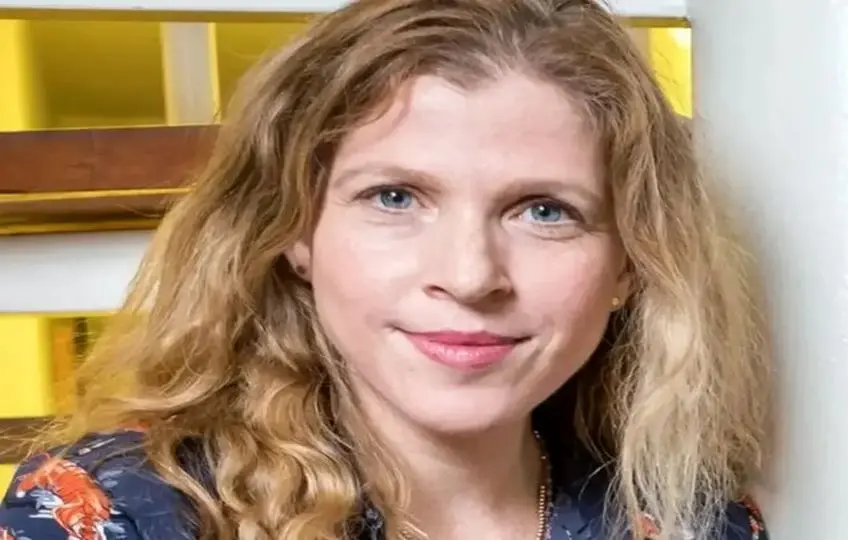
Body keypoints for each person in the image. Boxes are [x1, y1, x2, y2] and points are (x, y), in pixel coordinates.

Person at [0, 1, 772, 539]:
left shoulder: (694, 521)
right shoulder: (115, 513)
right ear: (295, 229)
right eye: (395, 197)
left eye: (544, 210)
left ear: (631, 263)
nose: (469, 275)